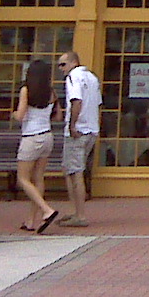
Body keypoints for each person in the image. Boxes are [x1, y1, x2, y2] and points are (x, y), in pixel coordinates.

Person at [12, 58, 58, 232]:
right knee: (38, 177)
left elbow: (21, 115)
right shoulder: (51, 92)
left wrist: (14, 113)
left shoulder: (26, 90)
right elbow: (57, 116)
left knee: (23, 179)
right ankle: (31, 220)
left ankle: (47, 211)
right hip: (47, 136)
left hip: (31, 137)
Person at [57, 51, 102, 227]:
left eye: (63, 64)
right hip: (91, 129)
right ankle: (74, 210)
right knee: (70, 169)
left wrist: (72, 125)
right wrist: (96, 126)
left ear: (73, 62)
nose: (61, 69)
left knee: (75, 172)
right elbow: (98, 104)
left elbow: (77, 101)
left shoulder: (73, 78)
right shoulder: (92, 78)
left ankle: (80, 215)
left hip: (79, 130)